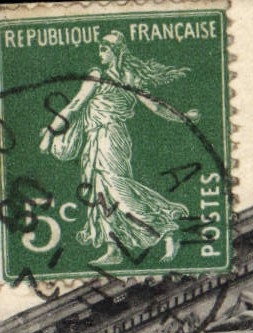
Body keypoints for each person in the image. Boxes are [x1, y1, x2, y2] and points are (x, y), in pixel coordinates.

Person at [40, 31, 194, 268]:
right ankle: (113, 248)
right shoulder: (102, 75)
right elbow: (76, 105)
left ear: (117, 51)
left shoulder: (117, 76)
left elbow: (154, 106)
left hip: (110, 137)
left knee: (116, 187)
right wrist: (52, 130)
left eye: (105, 49)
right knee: (99, 192)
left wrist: (182, 118)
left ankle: (166, 228)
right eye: (100, 49)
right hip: (95, 138)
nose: (100, 53)